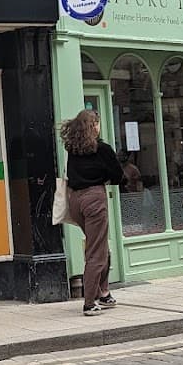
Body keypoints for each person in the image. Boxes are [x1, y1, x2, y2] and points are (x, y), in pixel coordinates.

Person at [60, 109, 124, 316]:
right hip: (94, 198)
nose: (98, 126)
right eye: (97, 123)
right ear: (93, 126)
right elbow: (118, 175)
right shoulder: (103, 149)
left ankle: (104, 293)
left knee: (99, 245)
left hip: (75, 200)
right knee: (96, 252)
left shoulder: (73, 149)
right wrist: (104, 175)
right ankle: (89, 302)